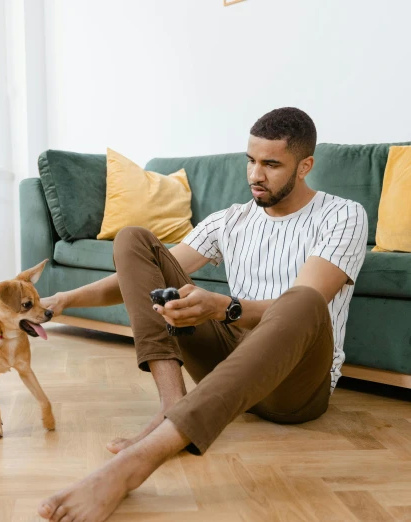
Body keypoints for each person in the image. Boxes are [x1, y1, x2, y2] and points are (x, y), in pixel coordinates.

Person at [37, 107, 369, 522]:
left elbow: (306, 303)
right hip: (229, 360)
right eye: (250, 160)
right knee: (134, 240)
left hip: (296, 388)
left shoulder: (344, 215)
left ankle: (139, 461)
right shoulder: (230, 220)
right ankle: (170, 405)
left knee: (302, 300)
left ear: (305, 166)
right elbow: (140, 276)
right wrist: (64, 298)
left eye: (271, 164)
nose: (255, 175)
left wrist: (223, 307)